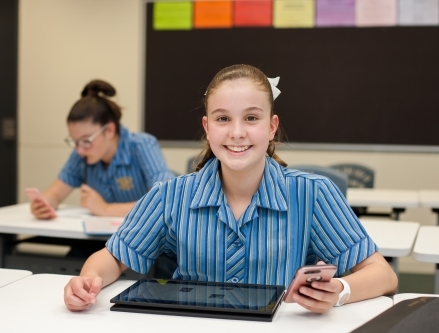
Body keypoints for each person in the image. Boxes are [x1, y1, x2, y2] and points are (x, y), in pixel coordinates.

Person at [64, 64, 397, 313]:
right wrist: (88, 279)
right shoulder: (170, 195)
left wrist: (339, 290)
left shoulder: (313, 194)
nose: (237, 132)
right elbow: (113, 258)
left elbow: (382, 274)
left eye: (251, 118)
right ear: (208, 128)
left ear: (271, 126)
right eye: (223, 119)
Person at [29, 79, 175, 219]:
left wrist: (105, 209)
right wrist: (43, 205)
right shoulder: (82, 152)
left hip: (142, 240)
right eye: (74, 141)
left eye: (86, 140)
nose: (79, 149)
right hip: (96, 237)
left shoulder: (142, 145)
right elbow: (55, 194)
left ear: (109, 130)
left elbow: (165, 200)